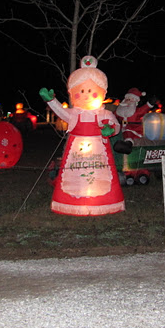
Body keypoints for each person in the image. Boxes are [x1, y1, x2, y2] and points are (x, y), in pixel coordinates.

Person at [39, 56, 125, 216]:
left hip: (99, 151)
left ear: (102, 92)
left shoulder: (103, 113)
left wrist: (111, 129)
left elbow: (116, 125)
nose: (86, 95)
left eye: (91, 91)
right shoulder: (74, 113)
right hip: (76, 151)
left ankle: (104, 203)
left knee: (102, 176)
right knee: (73, 175)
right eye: (82, 91)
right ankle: (71, 203)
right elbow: (61, 112)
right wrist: (51, 101)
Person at [113, 87, 155, 154]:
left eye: (130, 99)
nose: (127, 100)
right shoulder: (119, 111)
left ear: (134, 101)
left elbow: (143, 109)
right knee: (125, 131)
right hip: (123, 128)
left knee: (128, 133)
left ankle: (127, 146)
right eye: (127, 98)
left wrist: (150, 104)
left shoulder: (136, 111)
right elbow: (112, 116)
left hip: (135, 128)